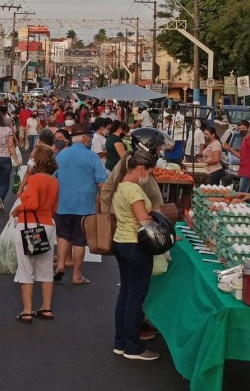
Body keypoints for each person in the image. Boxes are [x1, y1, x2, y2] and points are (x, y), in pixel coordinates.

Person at [109, 149, 159, 361]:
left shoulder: (119, 187)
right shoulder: (134, 190)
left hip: (120, 242)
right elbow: (143, 220)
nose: (148, 176)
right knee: (135, 298)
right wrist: (159, 225)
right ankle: (133, 347)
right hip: (136, 246)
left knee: (126, 294)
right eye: (148, 172)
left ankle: (120, 342)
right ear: (141, 169)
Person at [10, 145, 59, 323]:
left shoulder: (35, 179)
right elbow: (54, 208)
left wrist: (18, 209)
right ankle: (46, 308)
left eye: (32, 156)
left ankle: (27, 310)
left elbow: (32, 204)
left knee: (25, 268)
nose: (29, 159)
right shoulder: (54, 181)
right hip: (47, 225)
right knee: (46, 269)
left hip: (28, 225)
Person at [54, 123, 107, 285]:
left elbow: (53, 176)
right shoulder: (92, 157)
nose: (90, 140)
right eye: (89, 138)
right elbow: (101, 183)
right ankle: (77, 275)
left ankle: (61, 264)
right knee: (79, 241)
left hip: (63, 203)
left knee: (63, 235)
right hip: (84, 206)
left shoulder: (61, 155)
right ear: (84, 138)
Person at [223, 119, 250, 192]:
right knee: (242, 193)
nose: (241, 130)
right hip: (243, 171)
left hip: (249, 172)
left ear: (248, 128)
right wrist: (229, 148)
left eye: (243, 128)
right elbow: (241, 156)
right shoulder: (243, 140)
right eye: (239, 128)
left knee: (241, 194)